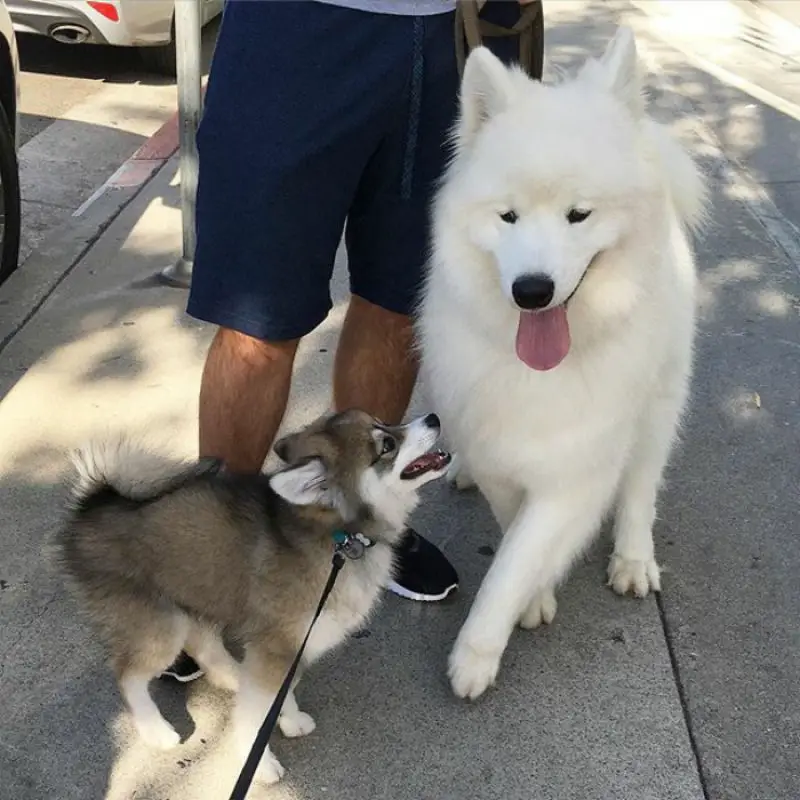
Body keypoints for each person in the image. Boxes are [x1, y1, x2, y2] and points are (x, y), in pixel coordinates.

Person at [162, 0, 530, 683]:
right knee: (258, 320)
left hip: (452, 34)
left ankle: (361, 523)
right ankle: (211, 561)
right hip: (297, 30)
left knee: (400, 303)